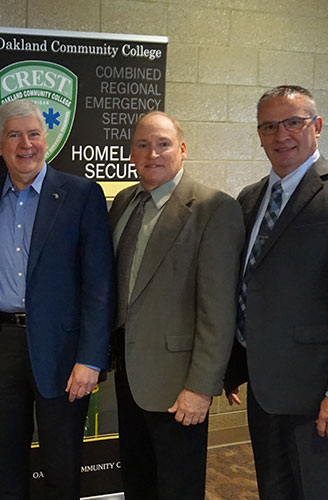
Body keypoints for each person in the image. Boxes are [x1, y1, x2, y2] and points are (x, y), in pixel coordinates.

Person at [0, 99, 112, 499]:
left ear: (46, 141)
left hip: (64, 353)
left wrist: (91, 359)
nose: (25, 144)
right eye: (14, 135)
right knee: (7, 462)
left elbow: (99, 284)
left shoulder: (82, 195)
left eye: (33, 134)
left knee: (61, 464)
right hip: (1, 348)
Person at [109, 111, 244, 499]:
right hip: (130, 377)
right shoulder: (123, 202)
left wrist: (201, 388)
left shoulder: (214, 209)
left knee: (177, 487)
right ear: (132, 154)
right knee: (138, 482)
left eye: (164, 143)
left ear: (182, 149)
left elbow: (218, 310)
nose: (153, 153)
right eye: (143, 145)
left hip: (179, 386)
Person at [224, 85, 328, 500]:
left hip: (312, 391)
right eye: (269, 126)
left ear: (316, 126)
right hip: (262, 386)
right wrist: (233, 363)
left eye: (292, 122)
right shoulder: (249, 199)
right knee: (274, 489)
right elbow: (247, 283)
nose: (281, 134)